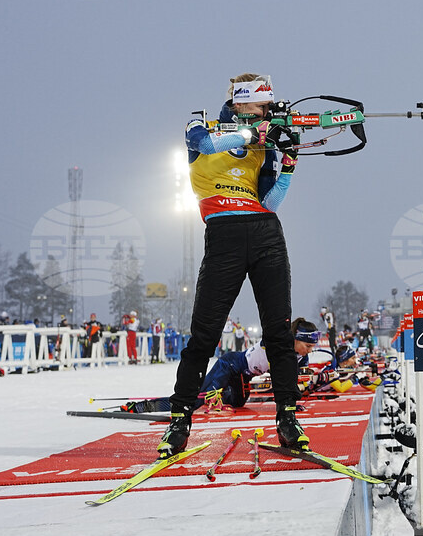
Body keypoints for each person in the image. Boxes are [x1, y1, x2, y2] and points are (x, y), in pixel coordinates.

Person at [159, 73, 305, 459]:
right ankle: (179, 420)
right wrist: (250, 136)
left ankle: (288, 417)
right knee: (203, 336)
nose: (268, 113)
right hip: (223, 236)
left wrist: (288, 164)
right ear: (241, 104)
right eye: (263, 106)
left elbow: (270, 202)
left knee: (278, 332)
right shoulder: (202, 124)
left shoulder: (265, 145)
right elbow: (202, 144)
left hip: (265, 233)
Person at [127, 318, 319, 413]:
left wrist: (291, 403)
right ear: (294, 339)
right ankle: (145, 406)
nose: (309, 351)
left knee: (237, 403)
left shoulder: (300, 358)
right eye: (307, 345)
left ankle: (218, 390)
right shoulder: (277, 343)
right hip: (230, 364)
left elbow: (293, 382)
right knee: (195, 401)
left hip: (243, 376)